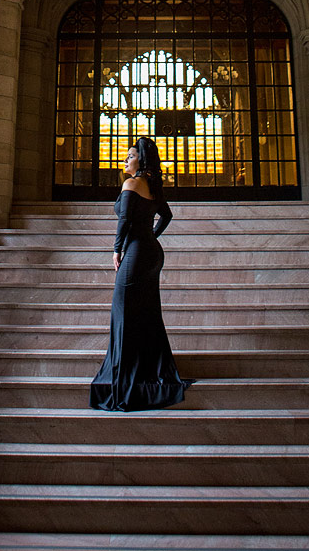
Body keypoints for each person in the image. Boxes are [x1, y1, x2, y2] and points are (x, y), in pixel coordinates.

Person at [89, 136, 190, 411]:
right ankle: (146, 369)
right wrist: (149, 237)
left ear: (141, 160)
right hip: (151, 253)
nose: (125, 159)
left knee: (122, 312)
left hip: (136, 253)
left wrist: (116, 250)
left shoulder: (131, 184)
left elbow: (124, 222)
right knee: (146, 313)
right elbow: (166, 216)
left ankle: (124, 375)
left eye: (131, 155)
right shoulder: (153, 187)